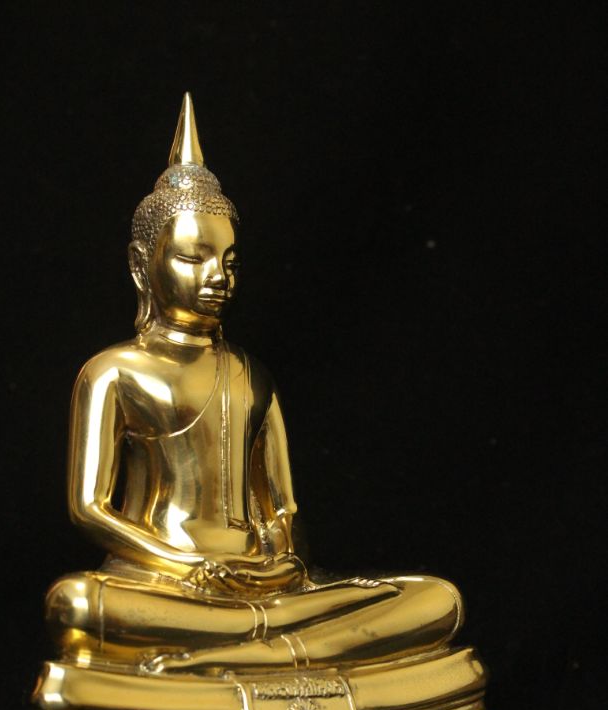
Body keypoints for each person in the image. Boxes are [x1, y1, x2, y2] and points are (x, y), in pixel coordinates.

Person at [46, 94, 463, 674]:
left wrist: (281, 564)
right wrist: (188, 568)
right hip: (163, 584)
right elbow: (90, 510)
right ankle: (273, 649)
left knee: (435, 599)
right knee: (75, 605)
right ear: (142, 265)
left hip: (265, 587)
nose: (218, 277)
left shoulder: (250, 374)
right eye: (194, 258)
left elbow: (282, 509)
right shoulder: (114, 372)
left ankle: (230, 652)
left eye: (230, 262)